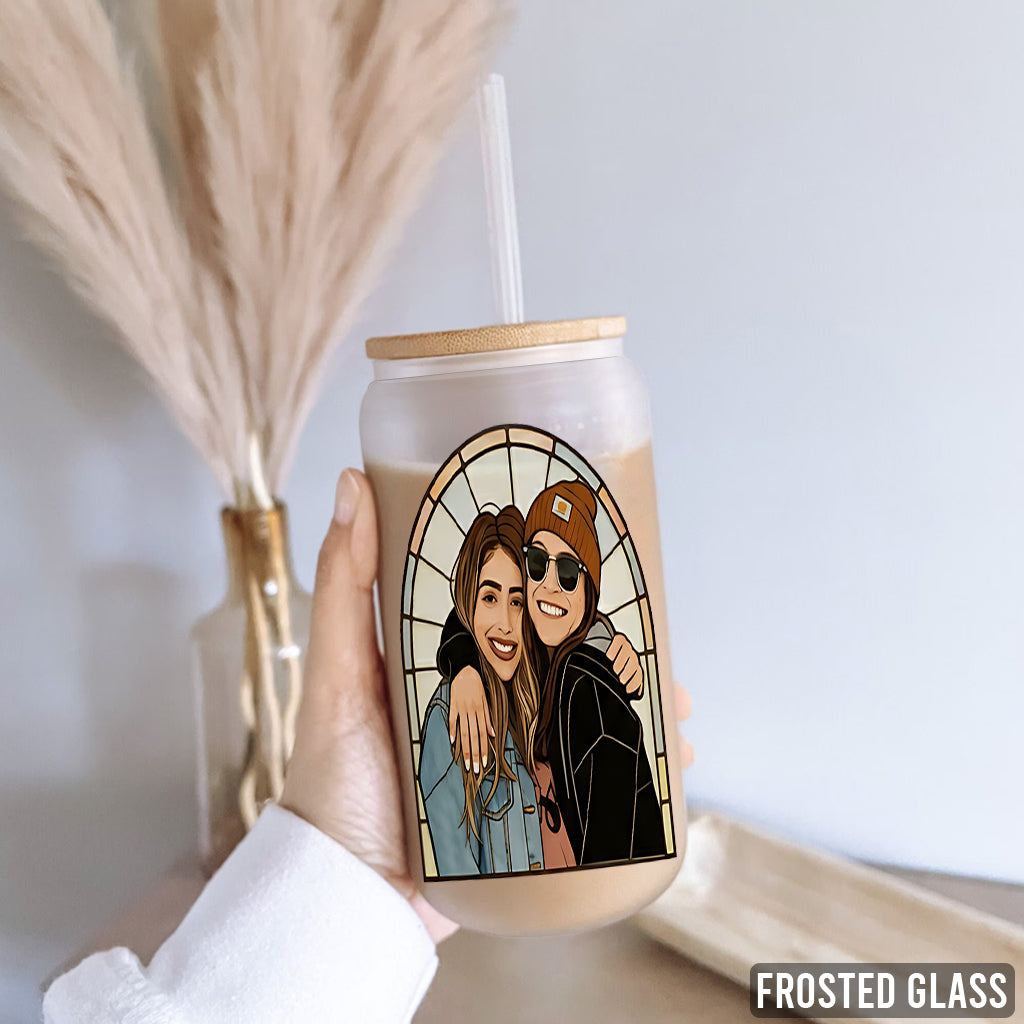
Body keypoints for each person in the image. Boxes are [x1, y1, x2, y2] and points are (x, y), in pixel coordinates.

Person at [44, 470, 693, 1024]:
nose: (536, 595)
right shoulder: (458, 714)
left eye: (562, 574)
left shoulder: (557, 689)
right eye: (525, 574)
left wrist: (603, 646)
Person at [440, 481, 666, 865]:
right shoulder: (529, 658)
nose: (549, 585)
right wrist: (464, 668)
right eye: (537, 563)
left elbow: (613, 845)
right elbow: (466, 614)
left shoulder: (585, 685)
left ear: (589, 591)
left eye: (567, 572)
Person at [418, 506, 549, 875]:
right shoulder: (449, 716)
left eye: (517, 601)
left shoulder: (540, 693)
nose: (505, 624)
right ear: (468, 605)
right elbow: (458, 875)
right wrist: (463, 668)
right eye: (490, 598)